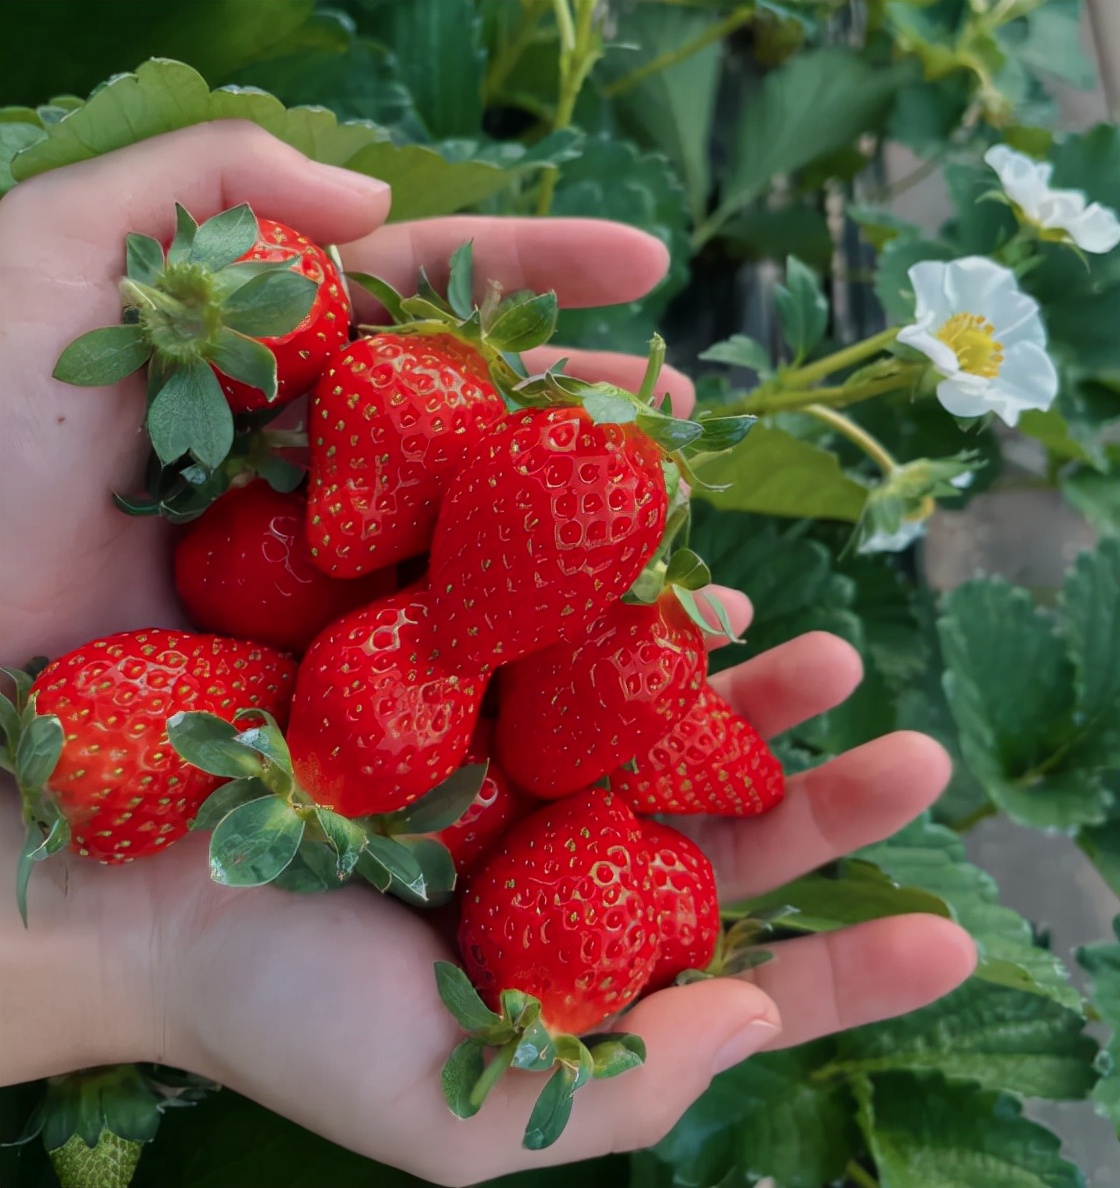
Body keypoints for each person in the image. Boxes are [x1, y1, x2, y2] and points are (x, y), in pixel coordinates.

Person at [0, 122, 976, 1186]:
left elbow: (430, 606)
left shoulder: (435, 620)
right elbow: (426, 601)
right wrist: (124, 968)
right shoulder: (428, 622)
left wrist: (130, 970)